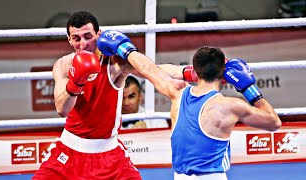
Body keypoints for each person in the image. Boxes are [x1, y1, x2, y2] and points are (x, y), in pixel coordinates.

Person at [97, 30, 282, 179]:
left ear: (196, 71)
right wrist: (249, 89)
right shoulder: (231, 106)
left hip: (179, 176)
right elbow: (274, 123)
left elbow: (150, 70)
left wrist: (124, 50)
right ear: (224, 76)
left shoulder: (177, 93)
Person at [32, 11, 144, 179]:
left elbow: (153, 70)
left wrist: (185, 73)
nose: (83, 44)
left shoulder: (114, 63)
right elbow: (62, 109)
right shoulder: (63, 65)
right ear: (69, 39)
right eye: (76, 39)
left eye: (88, 36)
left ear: (99, 34)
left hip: (109, 154)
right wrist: (75, 82)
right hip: (69, 150)